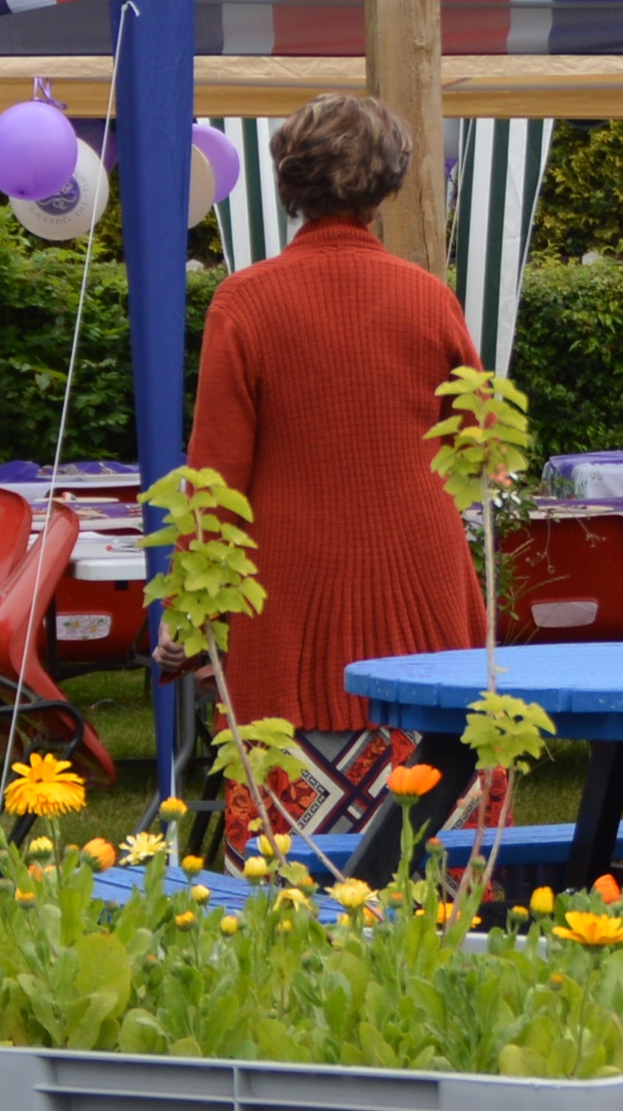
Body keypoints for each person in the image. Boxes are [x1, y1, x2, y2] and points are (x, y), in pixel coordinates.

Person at [183, 93, 488, 733]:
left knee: (286, 768)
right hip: (419, 569)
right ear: (386, 185)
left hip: (291, 579)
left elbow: (214, 478)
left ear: (290, 178)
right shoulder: (431, 299)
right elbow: (477, 446)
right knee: (437, 760)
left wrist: (191, 612)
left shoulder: (244, 303)